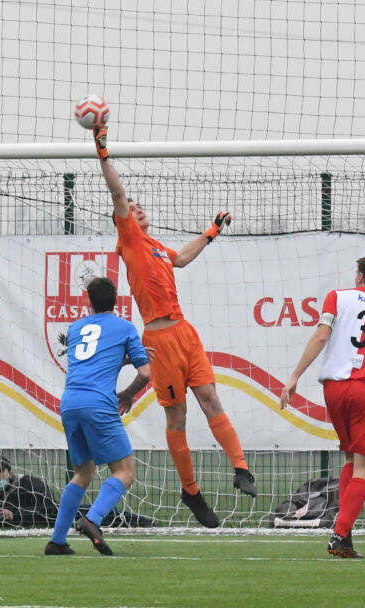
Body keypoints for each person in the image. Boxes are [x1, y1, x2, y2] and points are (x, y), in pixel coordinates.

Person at [92, 126, 257, 527]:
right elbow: (117, 193)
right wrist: (103, 152)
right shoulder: (129, 239)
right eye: (131, 208)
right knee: (178, 417)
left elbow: (181, 258)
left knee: (211, 400)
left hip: (185, 333)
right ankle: (191, 491)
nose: (137, 209)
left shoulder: (157, 248)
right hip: (160, 339)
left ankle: (241, 468)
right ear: (123, 218)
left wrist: (211, 232)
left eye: (139, 207)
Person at [280, 254, 365, 558]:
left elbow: (321, 336)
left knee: (350, 458)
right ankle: (340, 534)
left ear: (359, 277)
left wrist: (294, 376)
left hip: (333, 389)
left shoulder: (337, 297)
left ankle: (345, 533)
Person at [44, 277, 151, 556]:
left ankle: (57, 541)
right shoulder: (125, 327)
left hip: (70, 402)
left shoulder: (75, 328)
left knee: (83, 473)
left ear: (88, 302)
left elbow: (92, 360)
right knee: (125, 471)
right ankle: (92, 520)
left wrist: (118, 359)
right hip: (98, 404)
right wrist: (127, 394)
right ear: (116, 300)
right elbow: (146, 373)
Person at [0, 456, 60, 528]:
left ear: (10, 474)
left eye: (0, 470)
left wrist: (14, 515)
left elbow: (51, 510)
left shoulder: (31, 484)